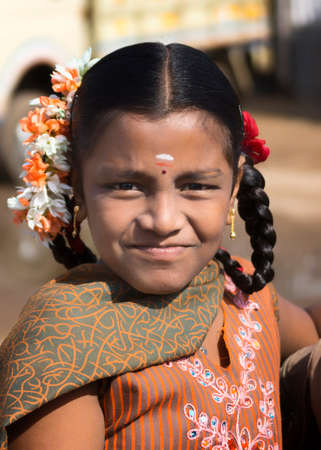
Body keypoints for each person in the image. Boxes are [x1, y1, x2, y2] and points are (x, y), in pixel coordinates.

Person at [0, 42, 320, 450]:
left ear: (234, 187)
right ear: (77, 186)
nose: (163, 221)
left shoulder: (242, 294)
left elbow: (309, 335)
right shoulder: (63, 345)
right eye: (126, 186)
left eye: (196, 186)